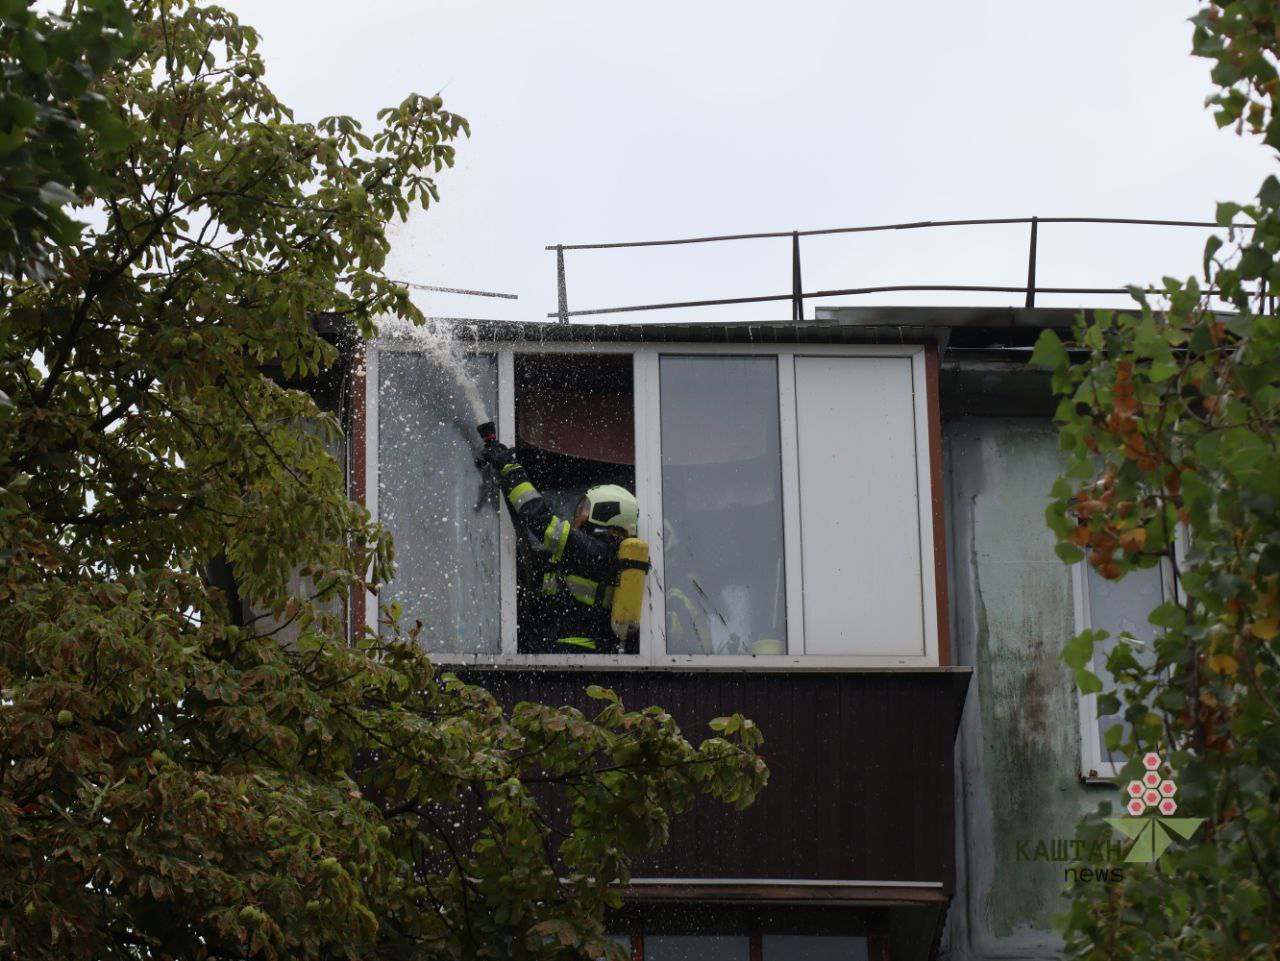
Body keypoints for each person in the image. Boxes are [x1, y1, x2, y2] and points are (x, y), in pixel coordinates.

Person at [478, 439, 638, 653]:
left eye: (583, 508)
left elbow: (539, 519)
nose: (577, 513)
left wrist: (511, 470)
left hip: (571, 650)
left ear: (604, 512)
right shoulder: (607, 554)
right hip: (574, 647)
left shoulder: (593, 550)